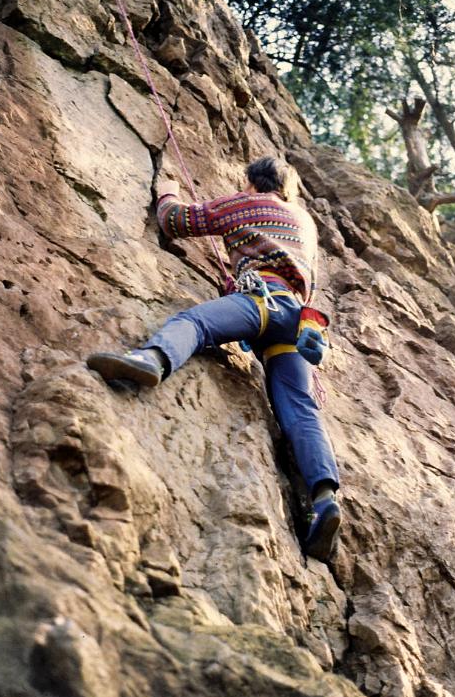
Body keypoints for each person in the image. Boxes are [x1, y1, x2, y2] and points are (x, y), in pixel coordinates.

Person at [87, 156, 341, 562]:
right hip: (296, 320)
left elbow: (177, 221)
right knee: (300, 409)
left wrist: (167, 189)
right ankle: (325, 499)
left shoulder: (246, 203)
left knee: (196, 322)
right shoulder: (305, 224)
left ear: (252, 182)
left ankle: (152, 360)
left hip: (259, 300)